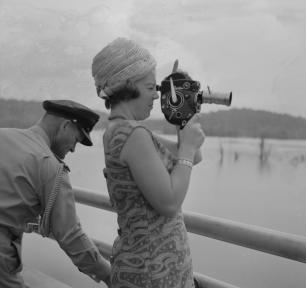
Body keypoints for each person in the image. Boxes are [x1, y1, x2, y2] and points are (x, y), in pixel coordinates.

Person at [91, 37, 205, 288]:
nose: (156, 95)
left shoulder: (122, 130)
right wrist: (186, 146)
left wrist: (181, 115)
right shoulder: (134, 135)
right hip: (152, 273)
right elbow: (169, 202)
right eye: (150, 87)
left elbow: (193, 156)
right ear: (129, 85)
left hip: (148, 266)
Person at [0, 100, 111, 288]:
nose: (74, 149)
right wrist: (108, 274)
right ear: (66, 126)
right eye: (76, 139)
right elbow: (70, 235)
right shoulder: (50, 166)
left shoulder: (4, 135)